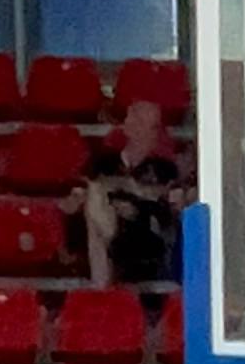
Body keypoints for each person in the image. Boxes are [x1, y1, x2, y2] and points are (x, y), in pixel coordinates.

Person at [68, 95, 182, 292]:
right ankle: (101, 285)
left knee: (98, 206)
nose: (147, 133)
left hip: (145, 237)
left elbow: (168, 210)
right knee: (94, 199)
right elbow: (75, 198)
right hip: (107, 228)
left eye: (153, 127)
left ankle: (101, 287)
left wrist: (135, 209)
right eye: (140, 124)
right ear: (127, 128)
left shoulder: (165, 169)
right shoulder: (103, 163)